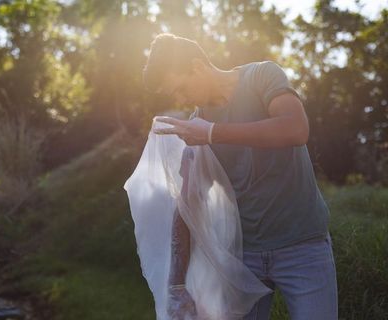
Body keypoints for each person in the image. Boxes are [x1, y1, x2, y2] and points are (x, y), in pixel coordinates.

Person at [143, 33, 337, 320]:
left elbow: (296, 129)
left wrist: (212, 132)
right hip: (245, 260)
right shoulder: (196, 129)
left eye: (181, 89)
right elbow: (187, 205)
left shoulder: (261, 76)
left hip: (303, 247)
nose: (181, 100)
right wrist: (177, 284)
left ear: (197, 66)